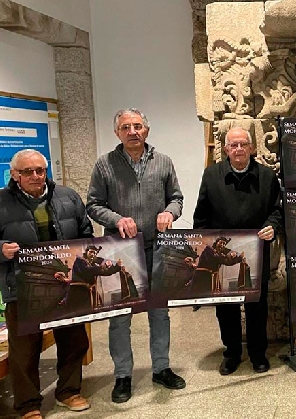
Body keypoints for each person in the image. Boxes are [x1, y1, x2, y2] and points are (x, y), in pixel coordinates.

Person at [86, 108, 186, 403]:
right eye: (126, 127)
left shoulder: (163, 161)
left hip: (158, 248)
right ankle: (122, 375)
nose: (132, 131)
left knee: (160, 313)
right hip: (119, 253)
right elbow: (93, 204)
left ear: (146, 131)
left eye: (138, 126)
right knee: (119, 317)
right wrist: (116, 219)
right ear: (117, 132)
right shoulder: (104, 165)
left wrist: (170, 212)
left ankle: (161, 368)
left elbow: (177, 198)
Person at [0, 149, 93, 419]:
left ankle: (69, 392)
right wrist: (2, 249)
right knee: (24, 349)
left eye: (40, 169)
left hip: (66, 283)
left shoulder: (68, 197)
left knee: (74, 340)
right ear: (14, 174)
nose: (35, 176)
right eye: (27, 171)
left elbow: (85, 232)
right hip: (22, 286)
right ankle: (28, 405)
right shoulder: (1, 202)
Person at [193, 127, 283, 375]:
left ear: (252, 148)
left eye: (243, 144)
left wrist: (271, 227)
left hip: (256, 252)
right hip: (222, 256)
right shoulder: (211, 176)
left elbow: (277, 211)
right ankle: (231, 353)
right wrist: (202, 247)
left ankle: (258, 354)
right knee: (226, 307)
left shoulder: (267, 177)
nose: (239, 149)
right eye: (233, 145)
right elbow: (201, 216)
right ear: (225, 150)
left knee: (257, 305)